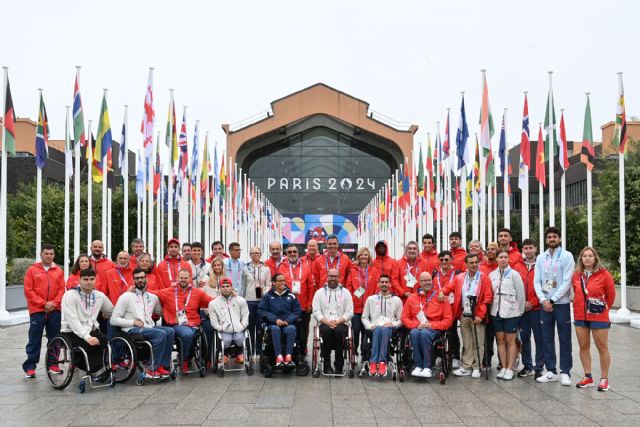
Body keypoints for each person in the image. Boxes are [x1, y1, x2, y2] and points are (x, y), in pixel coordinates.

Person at [110, 268, 174, 379]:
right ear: (133, 280)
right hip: (132, 330)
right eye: (137, 278)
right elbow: (113, 320)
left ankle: (163, 366)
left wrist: (178, 315)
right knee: (160, 334)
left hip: (148, 327)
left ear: (146, 279)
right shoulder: (126, 297)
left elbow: (162, 313)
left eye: (142, 277)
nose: (140, 280)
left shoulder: (153, 297)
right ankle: (152, 368)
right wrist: (132, 322)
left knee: (170, 331)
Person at [533, 226, 575, 386]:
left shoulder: (567, 256)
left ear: (559, 239)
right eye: (549, 237)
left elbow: (567, 281)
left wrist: (553, 300)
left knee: (564, 339)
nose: (552, 239)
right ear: (546, 240)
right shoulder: (541, 258)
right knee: (546, 339)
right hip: (544, 305)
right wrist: (543, 299)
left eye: (554, 237)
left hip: (561, 304)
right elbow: (537, 281)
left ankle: (565, 372)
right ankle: (551, 370)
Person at [572, 246, 615, 392]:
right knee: (584, 347)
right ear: (581, 259)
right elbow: (576, 291)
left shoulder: (604, 275)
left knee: (602, 347)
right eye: (585, 256)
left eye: (590, 256)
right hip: (580, 315)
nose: (587, 258)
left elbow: (611, 296)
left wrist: (602, 308)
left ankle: (604, 379)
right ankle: (587, 377)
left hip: (598, 316)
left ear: (595, 258)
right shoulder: (576, 275)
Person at [156, 269, 213, 374]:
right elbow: (151, 294)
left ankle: (188, 356)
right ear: (177, 278)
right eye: (181, 278)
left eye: (186, 278)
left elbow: (211, 301)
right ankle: (184, 358)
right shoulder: (168, 292)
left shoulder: (197, 292)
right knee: (187, 334)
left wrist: (227, 296)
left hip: (193, 322)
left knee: (199, 331)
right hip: (175, 323)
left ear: (190, 279)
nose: (183, 280)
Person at [445, 254, 493, 378]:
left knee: (478, 342)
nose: (474, 265)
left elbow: (487, 298)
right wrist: (440, 293)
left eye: (476, 262)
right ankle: (466, 366)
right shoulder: (459, 277)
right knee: (467, 341)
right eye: (471, 262)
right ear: (466, 264)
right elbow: (448, 288)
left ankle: (477, 366)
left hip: (477, 315)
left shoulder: (484, 278)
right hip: (464, 313)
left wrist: (480, 315)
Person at [59, 268, 113, 378]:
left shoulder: (99, 295)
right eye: (85, 279)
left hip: (91, 329)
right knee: (89, 345)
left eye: (92, 279)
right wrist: (87, 337)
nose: (89, 282)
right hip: (72, 331)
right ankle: (90, 367)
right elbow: (72, 320)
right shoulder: (70, 295)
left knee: (104, 341)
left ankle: (101, 366)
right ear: (79, 280)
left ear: (95, 280)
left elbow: (111, 311)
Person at [22, 244, 65, 378]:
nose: (49, 256)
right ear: (40, 254)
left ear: (54, 255)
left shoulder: (58, 270)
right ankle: (30, 367)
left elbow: (61, 289)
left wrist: (54, 303)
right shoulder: (32, 270)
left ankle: (53, 364)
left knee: (55, 339)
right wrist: (43, 304)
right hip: (37, 310)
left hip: (54, 310)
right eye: (46, 253)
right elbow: (28, 290)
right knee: (34, 339)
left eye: (51, 254)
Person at [402, 272, 453, 378]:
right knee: (414, 333)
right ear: (419, 283)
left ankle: (427, 367)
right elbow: (404, 318)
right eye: (424, 281)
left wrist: (431, 325)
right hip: (418, 326)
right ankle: (418, 365)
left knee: (424, 333)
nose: (427, 282)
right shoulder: (412, 298)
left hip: (434, 328)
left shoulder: (441, 297)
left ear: (432, 281)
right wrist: (416, 324)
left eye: (429, 280)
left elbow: (448, 320)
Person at [489, 249, 526, 381]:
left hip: (511, 312)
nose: (503, 259)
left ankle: (510, 368)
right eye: (500, 257)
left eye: (505, 257)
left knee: (511, 341)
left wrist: (519, 312)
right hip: (496, 312)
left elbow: (521, 295)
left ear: (508, 259)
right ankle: (503, 366)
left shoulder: (514, 275)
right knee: (500, 340)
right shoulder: (492, 275)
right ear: (497, 259)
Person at [312, 268, 354, 374]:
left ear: (339, 278)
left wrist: (338, 321)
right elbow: (316, 311)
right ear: (327, 277)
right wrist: (326, 321)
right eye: (331, 276)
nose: (333, 278)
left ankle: (339, 365)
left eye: (335, 276)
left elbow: (350, 312)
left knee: (339, 332)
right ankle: (327, 365)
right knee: (326, 331)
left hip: (341, 322)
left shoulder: (346, 293)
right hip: (324, 322)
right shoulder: (319, 292)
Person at [362, 275, 403, 376]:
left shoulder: (397, 300)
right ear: (378, 284)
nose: (384, 284)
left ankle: (380, 361)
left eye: (386, 282)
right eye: (382, 282)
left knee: (384, 329)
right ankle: (375, 361)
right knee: (379, 329)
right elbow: (364, 317)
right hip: (374, 327)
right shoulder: (370, 299)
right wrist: (369, 325)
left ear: (390, 284)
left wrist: (392, 324)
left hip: (390, 328)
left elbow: (401, 319)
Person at [258, 273, 302, 366]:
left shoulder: (291, 296)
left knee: (291, 329)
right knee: (275, 329)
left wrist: (288, 320)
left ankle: (288, 356)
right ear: (273, 283)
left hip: (287, 324)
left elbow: (297, 311)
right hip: (272, 324)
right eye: (280, 281)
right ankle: (279, 356)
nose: (283, 283)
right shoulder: (267, 296)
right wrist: (275, 319)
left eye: (284, 280)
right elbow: (262, 310)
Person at [278, 245, 313, 355]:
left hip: (302, 305)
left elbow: (311, 287)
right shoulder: (281, 267)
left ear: (298, 253)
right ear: (286, 254)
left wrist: (309, 304)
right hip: (287, 307)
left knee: (303, 332)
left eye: (294, 251)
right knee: (288, 330)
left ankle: (302, 352)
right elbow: (278, 286)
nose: (292, 254)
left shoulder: (306, 266)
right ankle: (289, 353)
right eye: (290, 252)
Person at [346, 247, 380, 357]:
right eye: (361, 255)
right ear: (358, 257)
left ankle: (365, 353)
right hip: (356, 308)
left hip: (369, 308)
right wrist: (352, 299)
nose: (363, 257)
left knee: (367, 332)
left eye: (366, 255)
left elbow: (377, 288)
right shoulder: (353, 270)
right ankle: (354, 353)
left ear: (369, 257)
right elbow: (349, 287)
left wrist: (374, 302)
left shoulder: (374, 271)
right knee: (355, 331)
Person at [518, 239, 544, 379]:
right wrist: (522, 303)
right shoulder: (517, 266)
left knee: (539, 338)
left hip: (537, 309)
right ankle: (527, 366)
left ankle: (539, 367)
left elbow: (548, 285)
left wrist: (532, 302)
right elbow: (513, 287)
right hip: (522, 310)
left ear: (535, 248)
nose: (528, 250)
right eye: (525, 248)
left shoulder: (542, 265)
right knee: (524, 338)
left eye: (530, 247)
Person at [209, 277, 250, 364]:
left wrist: (242, 326)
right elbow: (214, 321)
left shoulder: (240, 300)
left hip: (238, 329)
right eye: (223, 286)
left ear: (232, 288)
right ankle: (224, 355)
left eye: (227, 286)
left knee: (240, 340)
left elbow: (245, 315)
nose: (225, 288)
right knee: (226, 341)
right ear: (220, 289)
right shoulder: (213, 303)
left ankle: (239, 353)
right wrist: (221, 328)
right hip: (224, 330)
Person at [433, 250, 461, 369]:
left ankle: (455, 357)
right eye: (442, 260)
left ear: (451, 260)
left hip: (452, 306)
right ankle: (439, 355)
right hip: (438, 307)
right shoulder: (435, 273)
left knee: (453, 332)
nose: (444, 262)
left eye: (446, 259)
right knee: (438, 332)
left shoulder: (457, 273)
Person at [243, 247, 271, 355]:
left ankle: (259, 350)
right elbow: (243, 284)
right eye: (253, 253)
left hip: (261, 301)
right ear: (250, 255)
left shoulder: (266, 269)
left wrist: (263, 292)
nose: (255, 254)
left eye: (257, 253)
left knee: (260, 326)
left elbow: (268, 284)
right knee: (250, 326)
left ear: (261, 254)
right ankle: (250, 349)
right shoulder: (245, 268)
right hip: (249, 300)